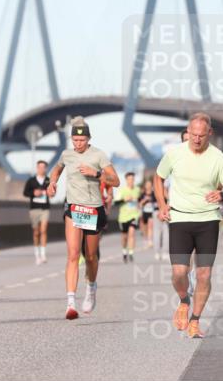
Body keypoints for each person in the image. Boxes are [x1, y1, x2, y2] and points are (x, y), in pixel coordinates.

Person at [154, 113, 223, 339]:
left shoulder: (219, 158)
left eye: (202, 135)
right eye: (193, 135)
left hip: (208, 221)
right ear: (188, 132)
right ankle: (184, 300)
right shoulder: (174, 154)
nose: (197, 139)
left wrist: (222, 194)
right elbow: (158, 177)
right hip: (180, 219)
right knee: (179, 272)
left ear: (209, 133)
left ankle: (195, 320)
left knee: (203, 275)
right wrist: (162, 204)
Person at [46, 117, 119, 319]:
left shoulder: (99, 155)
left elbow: (116, 180)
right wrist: (52, 183)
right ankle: (70, 302)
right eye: (75, 141)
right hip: (74, 208)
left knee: (91, 257)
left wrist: (96, 174)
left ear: (88, 139)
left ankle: (91, 288)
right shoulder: (66, 154)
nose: (78, 144)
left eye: (82, 141)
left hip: (94, 209)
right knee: (73, 254)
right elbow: (57, 169)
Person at [23, 160, 51, 264]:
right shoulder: (31, 181)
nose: (42, 169)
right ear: (37, 168)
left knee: (43, 230)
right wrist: (34, 193)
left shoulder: (48, 180)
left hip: (45, 208)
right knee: (36, 232)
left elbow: (53, 192)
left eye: (44, 167)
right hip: (34, 208)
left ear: (46, 169)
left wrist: (49, 193)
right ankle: (37, 254)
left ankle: (43, 255)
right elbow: (25, 193)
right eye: (40, 167)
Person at [117, 172, 141, 263]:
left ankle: (131, 252)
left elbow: (139, 200)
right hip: (123, 217)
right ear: (126, 180)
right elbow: (116, 203)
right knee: (124, 237)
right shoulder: (122, 190)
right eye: (129, 179)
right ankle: (124, 251)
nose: (131, 181)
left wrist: (139, 206)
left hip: (134, 215)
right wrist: (124, 200)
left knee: (132, 233)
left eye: (132, 179)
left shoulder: (137, 190)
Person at [139, 180, 156, 250]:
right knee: (145, 227)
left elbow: (156, 203)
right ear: (145, 186)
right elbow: (139, 204)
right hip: (144, 212)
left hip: (151, 212)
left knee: (150, 226)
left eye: (149, 184)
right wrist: (144, 200)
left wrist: (151, 200)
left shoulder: (153, 194)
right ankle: (146, 240)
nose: (148, 186)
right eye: (147, 184)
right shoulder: (142, 194)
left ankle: (150, 241)